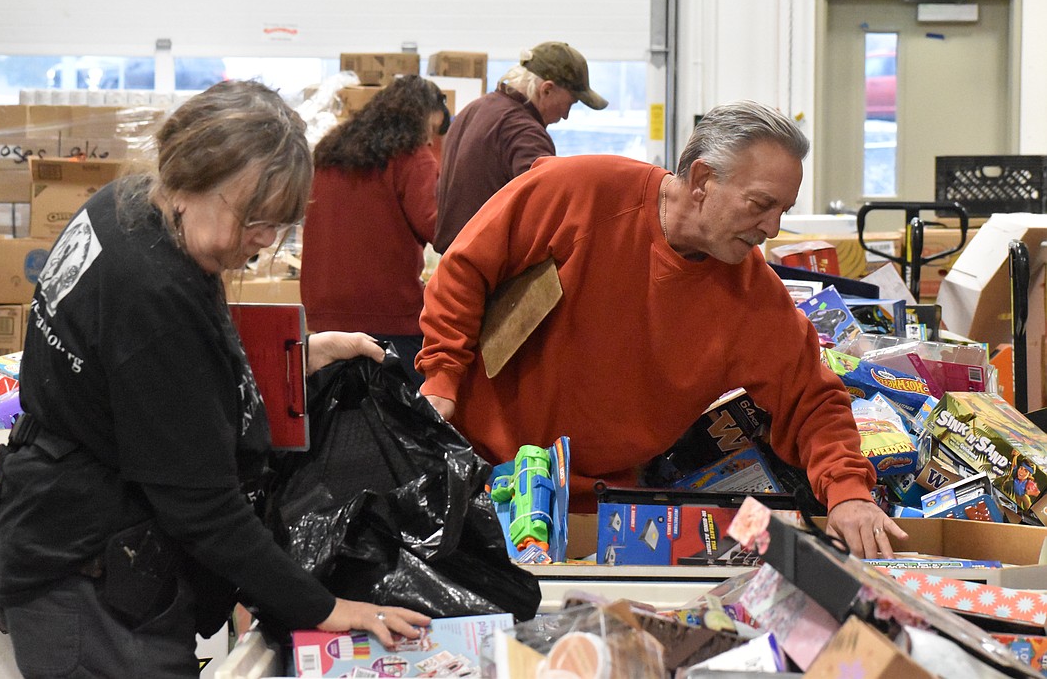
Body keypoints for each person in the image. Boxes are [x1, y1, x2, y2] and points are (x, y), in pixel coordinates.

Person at [0, 80, 429, 678]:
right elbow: (203, 506)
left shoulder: (128, 206)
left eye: (280, 225)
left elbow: (142, 378)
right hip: (92, 587)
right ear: (197, 178)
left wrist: (288, 362)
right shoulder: (152, 290)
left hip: (62, 533)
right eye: (256, 220)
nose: (266, 240)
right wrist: (322, 607)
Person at [415, 100, 907, 560]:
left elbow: (812, 399)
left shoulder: (753, 297)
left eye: (784, 210)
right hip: (474, 469)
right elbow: (464, 270)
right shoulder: (581, 191)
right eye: (760, 204)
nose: (773, 227)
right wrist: (441, 375)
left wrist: (848, 493)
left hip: (594, 509)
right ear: (702, 179)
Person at [301, 75, 449, 385]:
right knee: (399, 426)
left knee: (337, 424)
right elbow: (438, 227)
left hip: (324, 315)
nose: (430, 142)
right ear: (423, 119)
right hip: (388, 316)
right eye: (432, 132)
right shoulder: (411, 156)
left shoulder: (332, 150)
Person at [432, 41, 608, 253]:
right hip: (491, 272)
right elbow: (547, 214)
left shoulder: (474, 110)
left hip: (456, 264)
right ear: (547, 90)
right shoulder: (525, 132)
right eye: (569, 104)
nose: (565, 116)